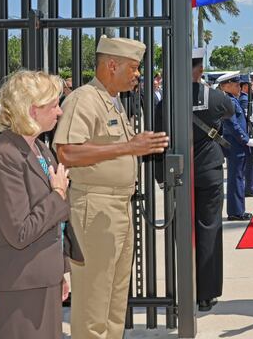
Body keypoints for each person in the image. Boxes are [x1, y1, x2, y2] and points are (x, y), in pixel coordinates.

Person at [54, 36, 169, 339]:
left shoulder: (113, 101)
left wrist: (131, 148)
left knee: (115, 299)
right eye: (133, 68)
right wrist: (128, 147)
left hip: (118, 207)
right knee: (93, 300)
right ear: (111, 65)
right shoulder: (83, 99)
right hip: (95, 207)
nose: (137, 75)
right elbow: (66, 152)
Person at [0, 71, 81, 338]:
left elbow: (55, 225)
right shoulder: (4, 155)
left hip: (44, 280)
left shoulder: (40, 149)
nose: (60, 112)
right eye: (53, 105)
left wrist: (60, 270)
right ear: (32, 110)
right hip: (20, 287)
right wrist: (57, 194)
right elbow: (20, 232)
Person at [191, 48, 234, 311]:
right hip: (208, 171)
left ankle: (183, 286)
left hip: (181, 172)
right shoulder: (214, 97)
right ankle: (206, 293)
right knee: (208, 229)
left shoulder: (169, 96)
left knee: (182, 232)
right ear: (200, 70)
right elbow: (228, 110)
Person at [218, 71, 253, 221]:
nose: (240, 87)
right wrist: (245, 139)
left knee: (238, 177)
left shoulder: (232, 99)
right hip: (236, 144)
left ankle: (237, 210)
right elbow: (232, 125)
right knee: (236, 178)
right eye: (236, 85)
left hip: (237, 144)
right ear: (226, 86)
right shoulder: (230, 101)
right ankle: (236, 212)